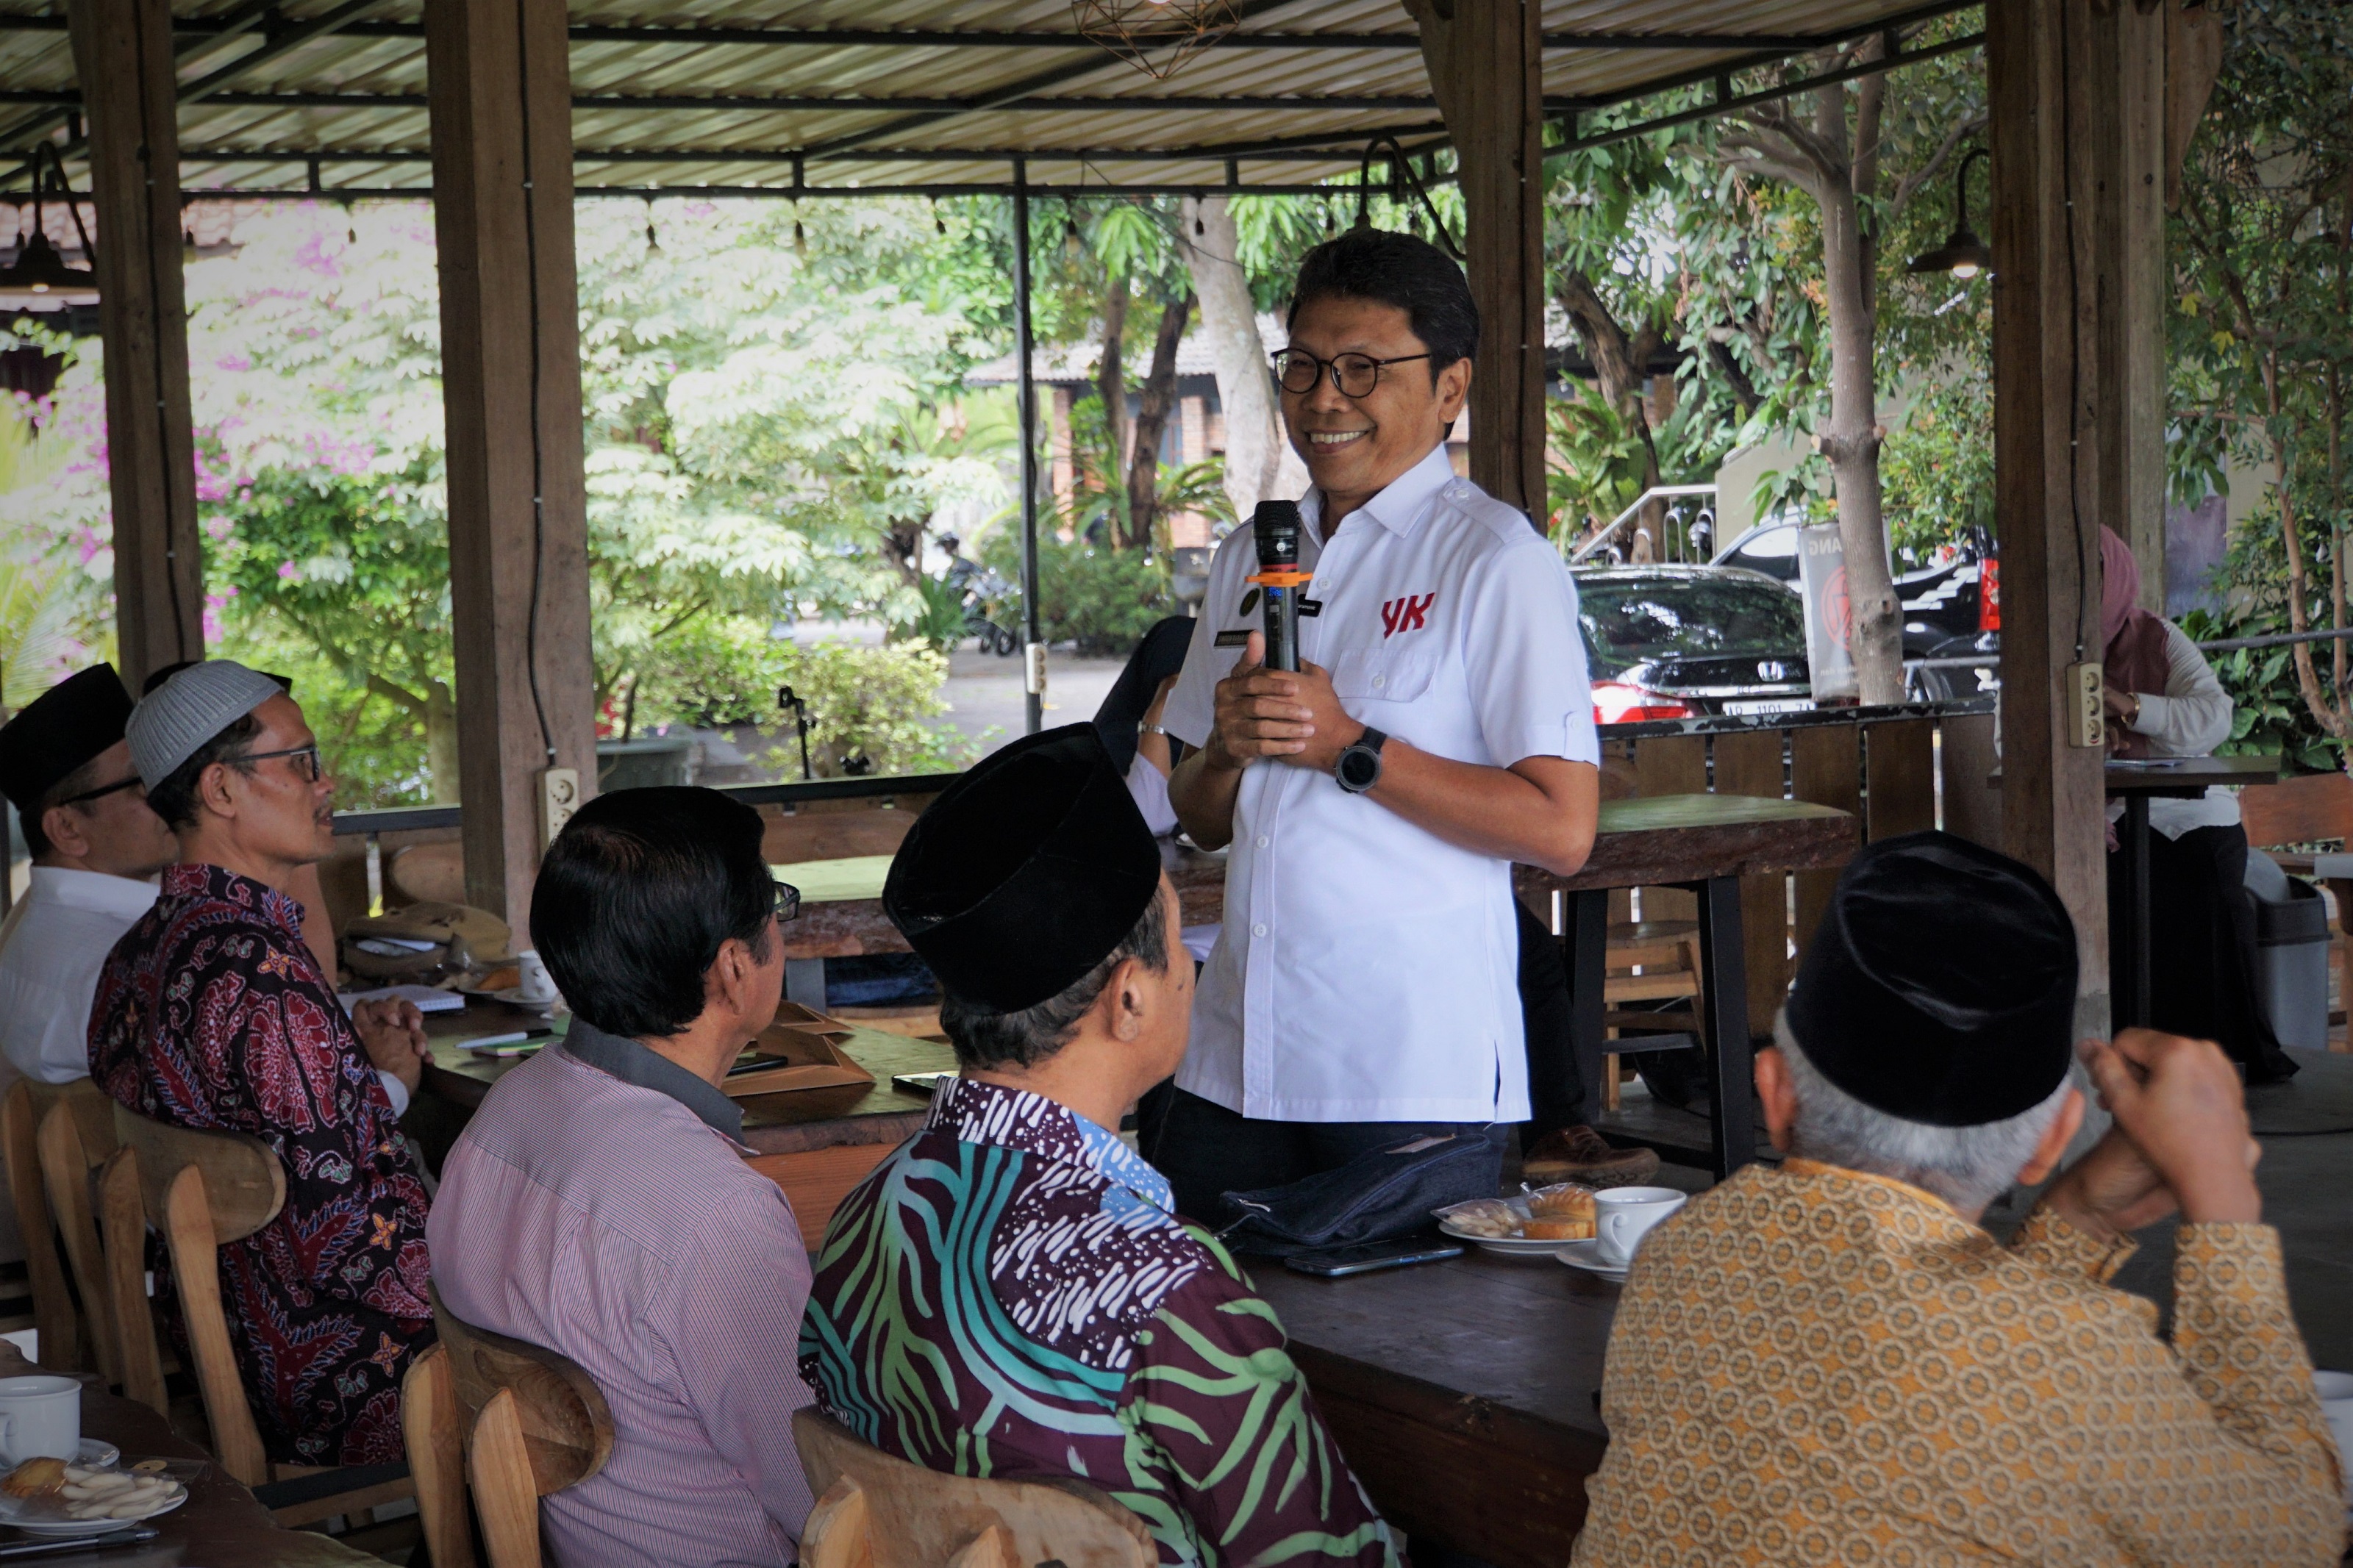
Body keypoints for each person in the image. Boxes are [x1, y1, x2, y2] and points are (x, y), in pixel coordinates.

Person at [1572, 830, 2346, 1567]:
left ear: (1772, 1096)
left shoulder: (1682, 1255)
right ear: (2052, 1141)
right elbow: (2294, 1537)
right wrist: (2223, 1214)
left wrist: (2080, 1223)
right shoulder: (2067, 1366)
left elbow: (1933, 1373)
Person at [799, 726, 1402, 1568]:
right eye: (1182, 944)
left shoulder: (866, 1219)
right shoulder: (1168, 1289)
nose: (1191, 972)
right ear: (1127, 1000)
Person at [1153, 226, 1635, 1220]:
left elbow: (1561, 828)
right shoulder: (1252, 553)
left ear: (1450, 389)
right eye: (1305, 366)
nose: (1324, 397)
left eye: (1363, 368)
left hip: (1408, 1075)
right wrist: (1233, 751)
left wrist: (1351, 747)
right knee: (1210, 1356)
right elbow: (1199, 814)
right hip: (1234, 1058)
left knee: (1393, 1360)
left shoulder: (1495, 562)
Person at [431, 787, 818, 1564]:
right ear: (734, 968)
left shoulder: (508, 1107)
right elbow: (821, 1491)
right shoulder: (713, 1211)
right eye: (772, 904)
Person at [88, 660, 435, 1467]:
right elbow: (356, 1249)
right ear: (220, 789)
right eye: (302, 761)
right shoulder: (259, 974)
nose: (325, 782)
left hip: (231, 1353)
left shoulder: (139, 951)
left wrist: (343, 1056)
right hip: (350, 1381)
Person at [2098, 526, 2296, 1081]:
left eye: (2096, 573)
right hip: (2105, 816)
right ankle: (2136, 1050)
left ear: (2116, 578)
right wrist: (2084, 738)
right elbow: (2006, 736)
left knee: (2206, 871)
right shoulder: (2042, 651)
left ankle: (2225, 1056)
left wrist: (2133, 708)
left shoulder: (2157, 637)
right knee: (2120, 879)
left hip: (2187, 809)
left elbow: (2213, 716)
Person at [0, 666, 175, 1095]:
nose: (172, 793)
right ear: (67, 830)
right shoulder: (127, 961)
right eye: (142, 782)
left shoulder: (34, 932)